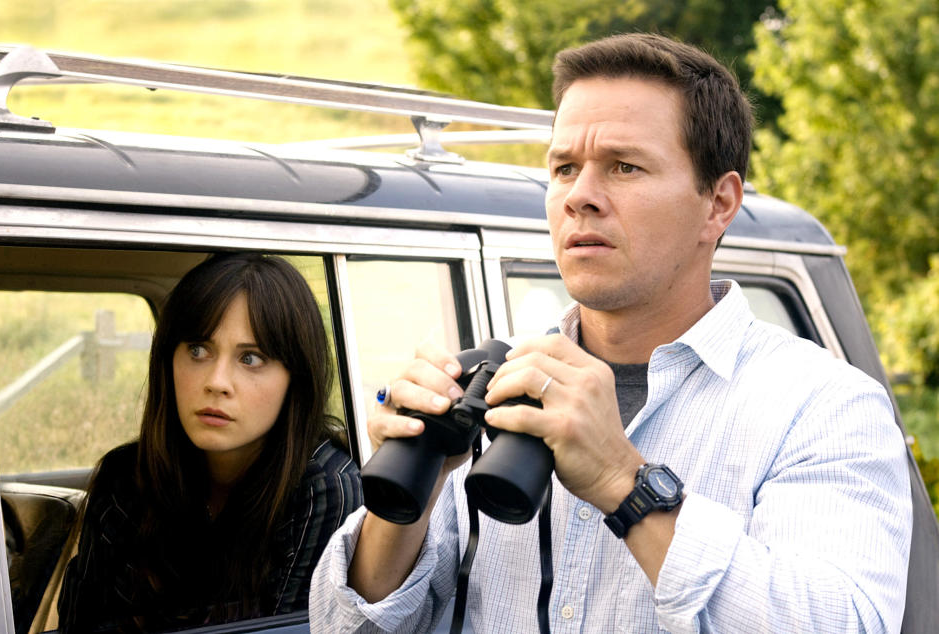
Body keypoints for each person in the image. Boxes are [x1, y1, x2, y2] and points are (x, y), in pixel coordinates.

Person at [308, 33, 913, 633]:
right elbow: (342, 629)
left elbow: (845, 622)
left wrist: (624, 484)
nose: (580, 197)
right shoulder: (493, 387)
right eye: (564, 167)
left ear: (719, 204)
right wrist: (413, 489)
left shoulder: (826, 405)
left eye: (624, 167)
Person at [57, 253, 363, 631]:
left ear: (295, 379)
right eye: (198, 350)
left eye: (250, 358)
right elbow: (79, 623)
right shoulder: (127, 476)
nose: (217, 381)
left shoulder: (323, 487)